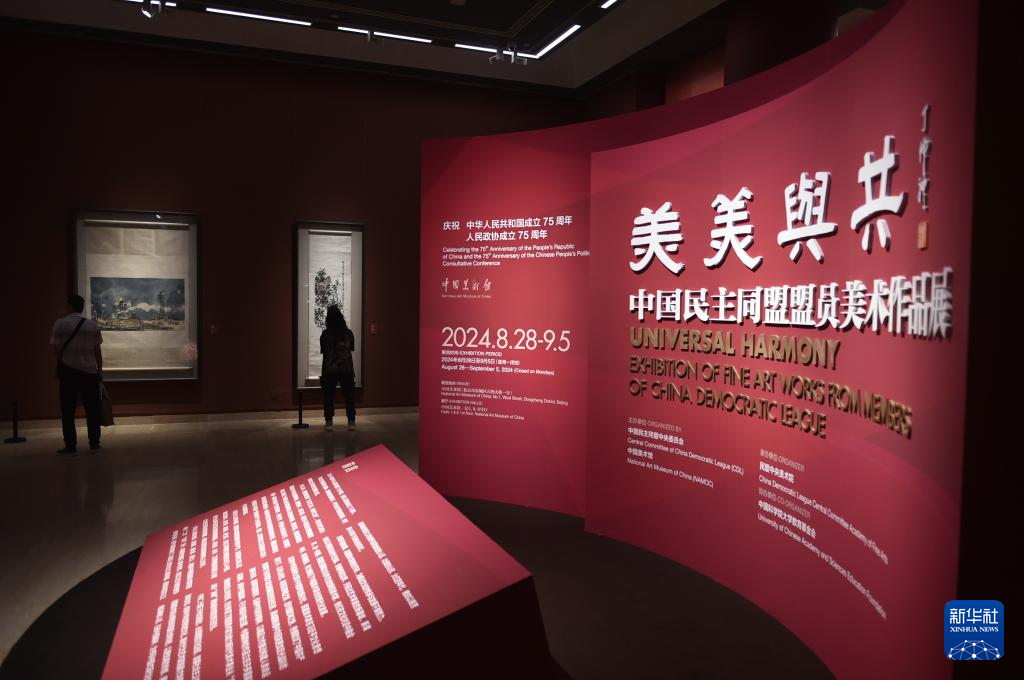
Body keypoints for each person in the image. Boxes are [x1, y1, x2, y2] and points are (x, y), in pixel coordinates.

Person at [50, 294, 104, 455]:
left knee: (68, 410)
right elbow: (97, 352)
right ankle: (94, 443)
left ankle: (71, 445)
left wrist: (67, 358)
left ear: (70, 306)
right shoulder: (93, 325)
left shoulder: (60, 324)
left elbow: (56, 348)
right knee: (92, 409)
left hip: (68, 371)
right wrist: (99, 372)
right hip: (89, 372)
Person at [320, 305, 356, 432]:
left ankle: (329, 422)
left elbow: (324, 351)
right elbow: (351, 349)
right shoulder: (348, 333)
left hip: (329, 369)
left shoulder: (325, 334)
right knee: (349, 396)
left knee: (328, 396)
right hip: (346, 368)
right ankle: (351, 421)